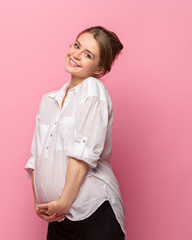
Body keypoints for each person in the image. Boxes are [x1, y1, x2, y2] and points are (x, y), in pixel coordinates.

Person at [24, 26, 125, 240]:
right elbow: (37, 160)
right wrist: (40, 204)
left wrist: (63, 203)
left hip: (92, 213)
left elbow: (82, 154)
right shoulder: (48, 101)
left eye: (88, 54)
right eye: (77, 45)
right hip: (60, 216)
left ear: (99, 70)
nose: (76, 55)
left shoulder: (93, 89)